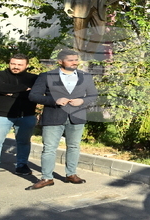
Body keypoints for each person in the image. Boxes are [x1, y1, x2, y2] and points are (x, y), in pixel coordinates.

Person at [26, 49, 99, 190]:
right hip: (53, 115)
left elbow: (93, 95)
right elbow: (33, 96)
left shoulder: (86, 76)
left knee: (74, 147)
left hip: (77, 116)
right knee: (49, 149)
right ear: (60, 61)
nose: (74, 62)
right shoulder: (46, 76)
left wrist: (82, 101)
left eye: (76, 60)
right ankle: (46, 177)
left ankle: (71, 174)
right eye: (70, 60)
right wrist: (54, 100)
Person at [0, 54, 39, 179]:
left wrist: (10, 92)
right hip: (0, 114)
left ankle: (22, 165)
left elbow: (36, 93)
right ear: (9, 63)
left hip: (26, 115)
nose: (16, 67)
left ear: (27, 65)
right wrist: (24, 89)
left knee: (24, 142)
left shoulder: (34, 78)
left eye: (20, 65)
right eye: (13, 63)